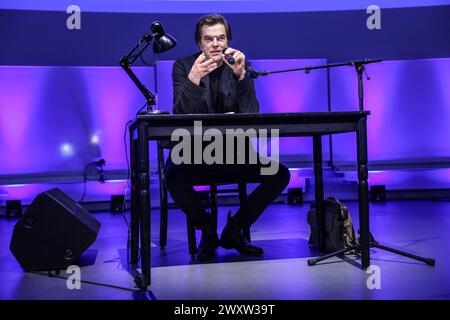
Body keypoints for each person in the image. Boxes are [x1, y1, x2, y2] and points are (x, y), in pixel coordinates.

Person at [165, 14, 290, 260]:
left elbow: (252, 115)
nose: (215, 44)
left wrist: (242, 77)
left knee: (280, 174)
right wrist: (193, 79)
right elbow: (179, 115)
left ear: (228, 40)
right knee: (172, 174)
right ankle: (207, 229)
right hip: (196, 155)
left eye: (220, 38)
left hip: (235, 155)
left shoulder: (238, 65)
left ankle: (235, 229)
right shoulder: (183, 66)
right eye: (208, 39)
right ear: (199, 44)